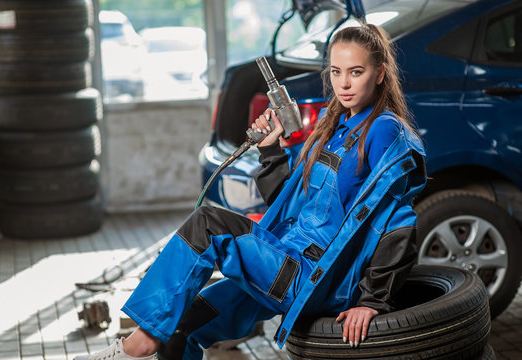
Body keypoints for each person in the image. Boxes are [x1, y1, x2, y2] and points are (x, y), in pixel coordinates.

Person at [75, 23, 427, 360]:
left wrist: (373, 301)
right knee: (180, 325)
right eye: (336, 72)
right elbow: (294, 208)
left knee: (209, 223)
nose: (343, 83)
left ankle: (137, 345)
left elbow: (400, 217)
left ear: (380, 73)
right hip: (281, 259)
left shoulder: (383, 131)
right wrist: (271, 149)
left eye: (356, 72)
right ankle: (151, 340)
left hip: (310, 276)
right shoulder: (336, 126)